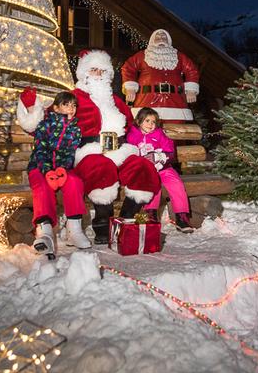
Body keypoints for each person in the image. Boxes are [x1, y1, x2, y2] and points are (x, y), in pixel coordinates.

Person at [18, 50, 160, 244]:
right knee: (101, 167)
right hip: (87, 151)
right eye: (94, 70)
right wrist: (33, 114)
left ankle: (126, 220)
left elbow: (133, 125)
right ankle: (103, 224)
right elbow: (48, 120)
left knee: (143, 168)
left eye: (103, 71)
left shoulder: (116, 101)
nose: (98, 75)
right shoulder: (73, 98)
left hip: (118, 149)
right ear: (84, 73)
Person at [26, 91, 91, 258]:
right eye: (66, 104)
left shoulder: (75, 130)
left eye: (73, 105)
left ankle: (74, 230)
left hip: (61, 169)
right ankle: (44, 233)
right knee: (41, 186)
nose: (71, 108)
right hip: (40, 167)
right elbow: (40, 150)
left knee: (75, 182)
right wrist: (48, 171)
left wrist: (62, 169)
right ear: (56, 107)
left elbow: (70, 154)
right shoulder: (44, 125)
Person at [126, 108, 193, 233]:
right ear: (139, 121)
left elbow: (170, 151)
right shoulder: (132, 135)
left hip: (163, 167)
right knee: (152, 184)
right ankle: (151, 214)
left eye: (154, 122)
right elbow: (129, 153)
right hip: (145, 169)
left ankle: (181, 216)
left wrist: (161, 157)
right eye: (147, 121)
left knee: (176, 184)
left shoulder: (159, 134)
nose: (151, 125)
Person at [121, 29, 200, 122]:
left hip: (175, 103)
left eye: (164, 37)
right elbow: (128, 68)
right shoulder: (142, 56)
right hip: (147, 100)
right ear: (152, 40)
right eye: (158, 37)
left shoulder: (179, 57)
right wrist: (130, 88)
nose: (161, 39)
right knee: (147, 128)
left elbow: (192, 70)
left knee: (176, 131)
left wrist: (191, 90)